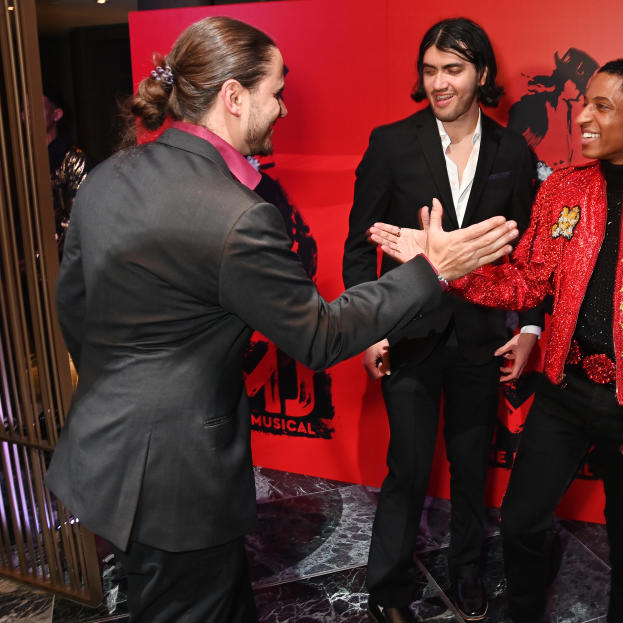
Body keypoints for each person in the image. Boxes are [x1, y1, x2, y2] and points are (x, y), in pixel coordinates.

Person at [45, 16, 519, 623]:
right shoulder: (236, 214)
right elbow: (319, 335)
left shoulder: (108, 177)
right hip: (181, 479)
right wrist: (431, 270)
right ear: (234, 96)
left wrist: (126, 396)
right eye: (276, 91)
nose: (284, 108)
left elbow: (75, 311)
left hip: (106, 457)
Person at [371, 58, 623, 623]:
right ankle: (522, 612)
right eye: (584, 103)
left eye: (602, 107)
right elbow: (528, 280)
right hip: (563, 392)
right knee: (521, 522)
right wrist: (441, 264)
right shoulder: (564, 189)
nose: (584, 118)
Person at [342, 17, 541, 623]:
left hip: (482, 338)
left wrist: (529, 329)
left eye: (452, 69)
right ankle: (388, 590)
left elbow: (533, 253)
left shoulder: (514, 151)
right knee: (407, 466)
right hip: (408, 333)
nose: (438, 82)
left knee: (472, 462)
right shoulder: (391, 143)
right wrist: (369, 327)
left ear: (482, 74)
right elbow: (359, 247)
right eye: (429, 70)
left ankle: (468, 573)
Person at [43, 92, 87, 257]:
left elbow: (77, 220)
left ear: (56, 114)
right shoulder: (23, 161)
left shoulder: (73, 158)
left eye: (34, 106)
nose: (26, 114)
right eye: (23, 109)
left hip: (60, 257)